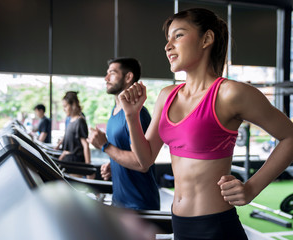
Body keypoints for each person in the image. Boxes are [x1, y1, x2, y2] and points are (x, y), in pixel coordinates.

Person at [118, 8, 293, 240]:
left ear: (207, 39)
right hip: (179, 225)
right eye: (167, 38)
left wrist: (251, 188)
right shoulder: (166, 95)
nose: (167, 45)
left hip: (216, 228)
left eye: (178, 35)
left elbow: (290, 137)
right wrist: (132, 115)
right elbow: (144, 160)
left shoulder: (230, 93)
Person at [88, 57, 160, 211]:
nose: (106, 78)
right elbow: (126, 151)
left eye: (112, 73)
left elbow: (142, 164)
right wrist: (114, 165)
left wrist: (105, 146)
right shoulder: (114, 112)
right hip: (119, 201)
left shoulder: (139, 115)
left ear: (128, 77)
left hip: (139, 205)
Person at [59, 92, 91, 166]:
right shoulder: (70, 121)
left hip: (75, 162)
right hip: (68, 160)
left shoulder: (79, 121)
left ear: (73, 105)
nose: (64, 109)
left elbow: (85, 145)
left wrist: (88, 167)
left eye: (65, 106)